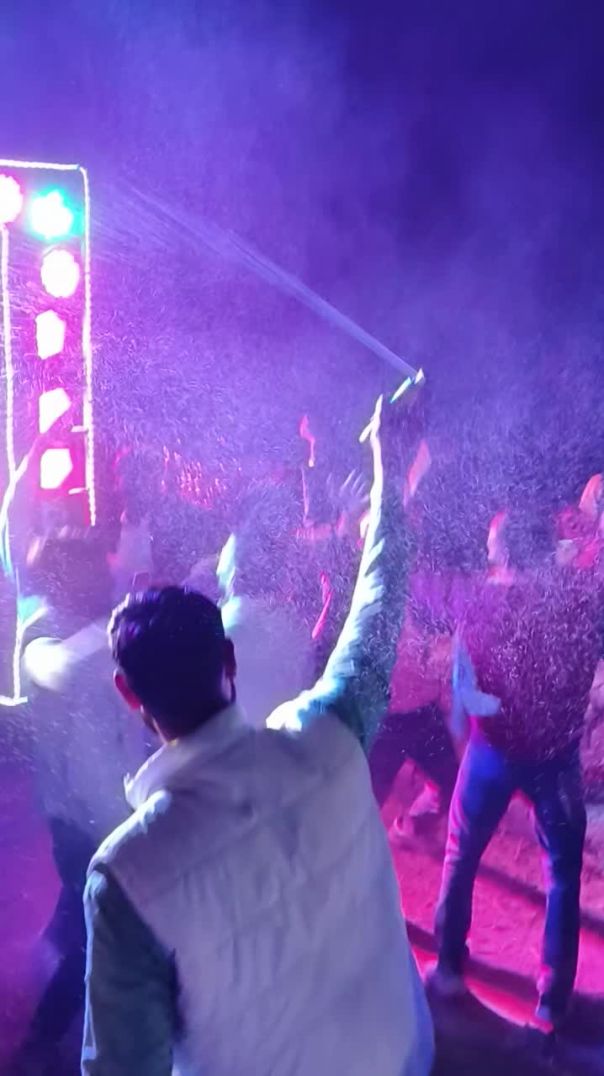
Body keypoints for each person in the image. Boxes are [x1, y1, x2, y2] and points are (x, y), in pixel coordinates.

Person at [81, 396, 434, 1076]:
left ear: (129, 695)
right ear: (229, 662)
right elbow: (380, 605)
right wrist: (391, 471)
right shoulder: (330, 736)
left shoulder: (127, 875)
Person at [430, 507, 603, 1027]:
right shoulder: (581, 598)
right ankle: (551, 1003)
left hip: (493, 752)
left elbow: (465, 689)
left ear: (504, 553)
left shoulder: (481, 601)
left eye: (491, 546)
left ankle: (448, 969)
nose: (486, 553)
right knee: (563, 878)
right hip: (556, 760)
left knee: (461, 855)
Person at [15, 532, 147, 1070]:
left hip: (87, 811)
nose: (106, 571)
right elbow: (62, 671)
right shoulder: (44, 634)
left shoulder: (89, 627)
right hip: (83, 818)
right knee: (96, 936)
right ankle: (41, 1040)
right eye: (95, 565)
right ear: (66, 577)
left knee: (81, 915)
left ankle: (48, 961)